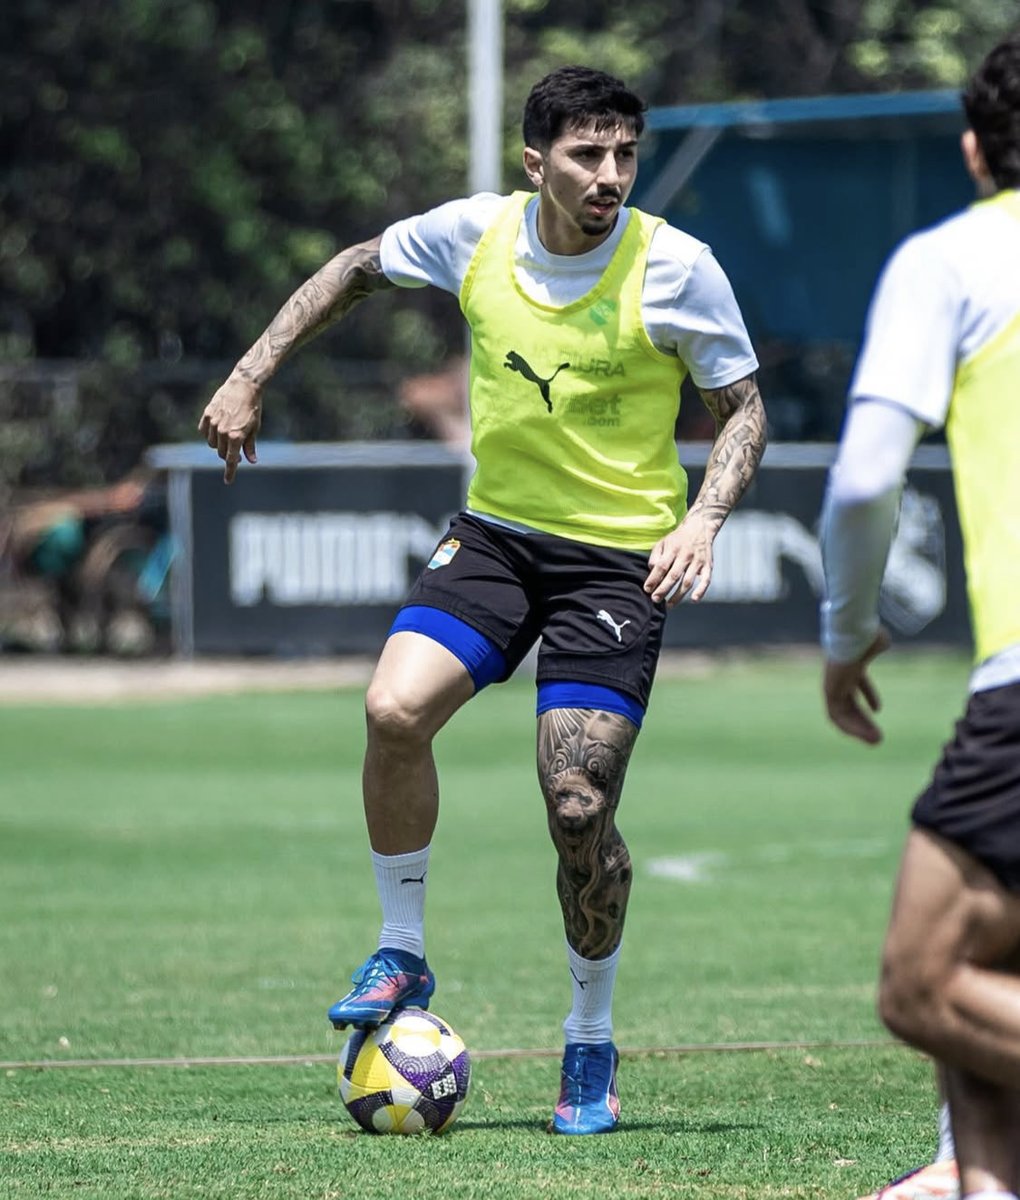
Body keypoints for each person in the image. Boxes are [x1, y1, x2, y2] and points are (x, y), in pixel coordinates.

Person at [200, 65, 766, 1134]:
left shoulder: (677, 267)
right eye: (587, 155)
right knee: (391, 710)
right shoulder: (476, 234)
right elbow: (356, 267)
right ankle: (402, 953)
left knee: (577, 808)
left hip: (616, 560)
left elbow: (743, 410)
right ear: (535, 161)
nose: (610, 176)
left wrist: (703, 521)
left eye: (625, 156)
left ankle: (588, 1039)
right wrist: (250, 369)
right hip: (499, 538)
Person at [820, 34, 1020, 1200]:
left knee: (922, 983)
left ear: (972, 149)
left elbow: (860, 482)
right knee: (989, 955)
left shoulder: (952, 259)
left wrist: (848, 634)